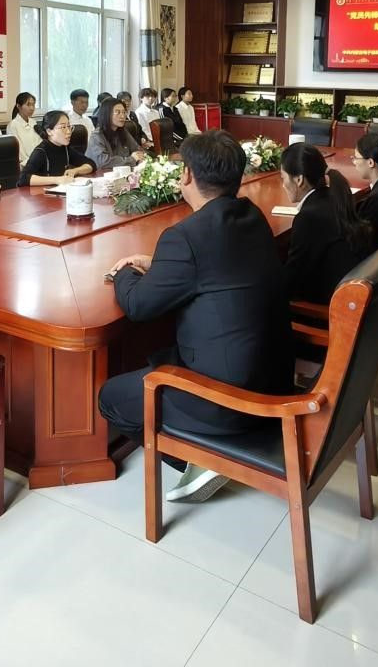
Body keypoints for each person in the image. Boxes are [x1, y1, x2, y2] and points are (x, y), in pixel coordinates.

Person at [98, 131, 291, 504]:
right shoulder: (250, 215)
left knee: (111, 397)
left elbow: (138, 306)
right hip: (272, 377)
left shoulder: (185, 236)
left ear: (186, 175)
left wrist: (123, 271)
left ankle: (204, 458)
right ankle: (206, 453)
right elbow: (217, 267)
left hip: (227, 399)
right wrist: (161, 264)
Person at [279, 142, 373, 303]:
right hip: (353, 291)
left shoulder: (308, 217)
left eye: (283, 178)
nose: (283, 184)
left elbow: (292, 280)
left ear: (299, 179)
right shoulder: (333, 196)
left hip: (334, 304)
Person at [17, 111, 96, 187]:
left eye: (69, 126)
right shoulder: (41, 151)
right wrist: (57, 180)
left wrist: (75, 171)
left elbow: (91, 164)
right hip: (41, 194)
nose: (68, 132)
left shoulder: (65, 148)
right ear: (49, 131)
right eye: (63, 127)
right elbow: (23, 179)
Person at [87, 98, 147, 171]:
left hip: (123, 173)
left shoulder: (123, 131)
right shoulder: (97, 136)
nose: (122, 116)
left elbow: (137, 150)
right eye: (117, 112)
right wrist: (131, 159)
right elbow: (103, 162)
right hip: (102, 175)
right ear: (106, 114)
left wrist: (140, 159)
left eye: (124, 112)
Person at [6, 92, 42, 161]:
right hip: (24, 163)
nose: (32, 108)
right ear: (18, 106)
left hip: (38, 160)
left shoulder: (33, 122)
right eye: (28, 105)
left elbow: (39, 143)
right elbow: (18, 150)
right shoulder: (13, 125)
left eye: (33, 105)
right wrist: (31, 162)